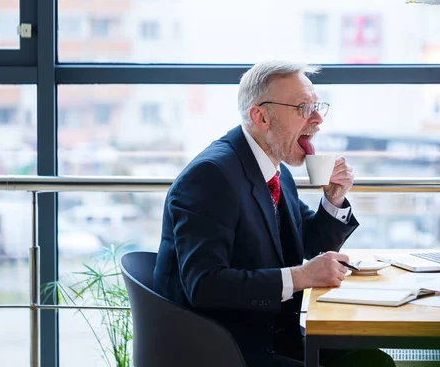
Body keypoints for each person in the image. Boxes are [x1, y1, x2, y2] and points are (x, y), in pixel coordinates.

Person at [153, 61, 395, 367]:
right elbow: (204, 285)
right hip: (227, 349)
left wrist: (334, 199)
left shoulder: (273, 168)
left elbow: (308, 243)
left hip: (274, 335)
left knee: (371, 360)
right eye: (303, 107)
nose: (318, 119)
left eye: (317, 106)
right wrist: (302, 276)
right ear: (261, 116)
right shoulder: (211, 177)